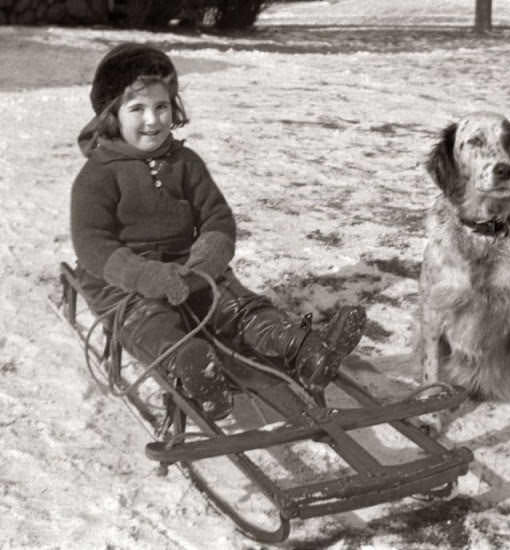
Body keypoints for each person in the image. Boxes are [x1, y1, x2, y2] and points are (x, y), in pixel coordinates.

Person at [71, 43, 366, 421]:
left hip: (192, 269)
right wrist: (145, 275)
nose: (153, 120)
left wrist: (207, 258)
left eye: (162, 107)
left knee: (239, 307)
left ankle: (304, 348)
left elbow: (217, 217)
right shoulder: (98, 174)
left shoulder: (186, 163)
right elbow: (92, 243)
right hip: (124, 284)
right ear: (111, 116)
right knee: (152, 322)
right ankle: (192, 368)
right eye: (137, 109)